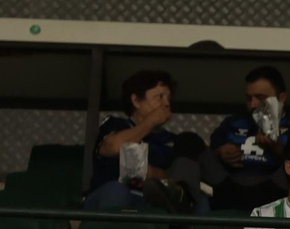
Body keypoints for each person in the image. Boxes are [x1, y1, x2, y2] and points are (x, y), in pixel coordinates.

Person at [86, 69, 204, 213]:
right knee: (117, 191)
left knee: (199, 200)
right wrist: (150, 122)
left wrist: (152, 173)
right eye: (159, 97)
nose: (166, 104)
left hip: (157, 203)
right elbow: (114, 147)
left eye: (168, 98)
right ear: (136, 100)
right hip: (112, 197)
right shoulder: (115, 125)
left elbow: (178, 180)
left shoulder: (175, 140)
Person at [206, 65, 290, 212]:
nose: (252, 105)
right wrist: (219, 153)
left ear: (281, 98)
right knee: (189, 142)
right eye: (248, 98)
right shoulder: (231, 123)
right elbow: (207, 161)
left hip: (274, 193)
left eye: (260, 98)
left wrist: (275, 148)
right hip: (229, 189)